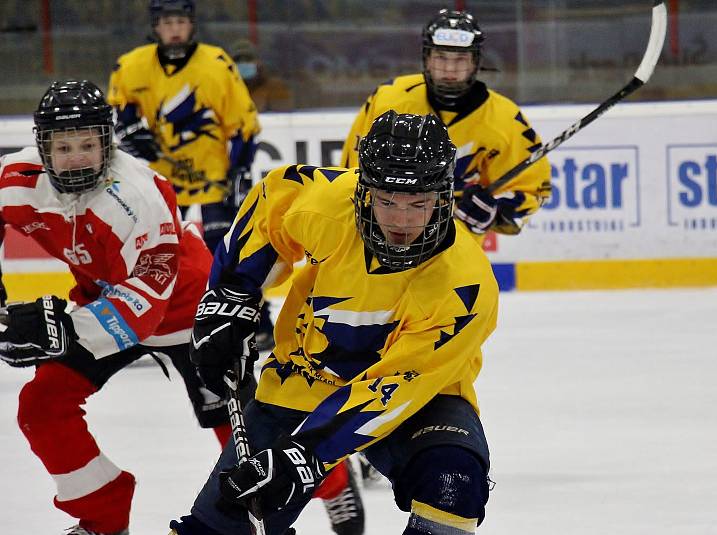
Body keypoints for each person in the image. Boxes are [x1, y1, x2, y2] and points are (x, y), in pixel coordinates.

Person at [167, 110, 499, 535]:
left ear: (442, 197)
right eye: (387, 202)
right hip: (303, 378)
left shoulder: (465, 285)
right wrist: (230, 297)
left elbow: (393, 388)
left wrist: (305, 455)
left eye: (418, 204)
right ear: (364, 192)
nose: (401, 222)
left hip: (415, 398)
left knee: (453, 480)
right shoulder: (330, 205)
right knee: (220, 525)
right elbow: (272, 198)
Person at [0, 80, 231, 535]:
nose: (77, 156)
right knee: (43, 406)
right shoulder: (17, 181)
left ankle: (333, 485)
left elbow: (147, 296)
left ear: (108, 142)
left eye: (88, 144)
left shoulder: (137, 196)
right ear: (42, 147)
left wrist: (65, 328)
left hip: (189, 310)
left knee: (243, 433)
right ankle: (103, 517)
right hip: (100, 302)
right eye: (63, 146)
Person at [107, 0, 277, 351]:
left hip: (212, 179)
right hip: (159, 185)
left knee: (229, 252)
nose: (174, 29)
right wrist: (132, 130)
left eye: (180, 21)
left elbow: (244, 126)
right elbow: (119, 112)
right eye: (167, 22)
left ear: (191, 25)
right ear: (156, 26)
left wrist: (238, 173)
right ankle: (147, 323)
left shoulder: (215, 64)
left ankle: (254, 322)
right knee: (156, 255)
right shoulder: (132, 66)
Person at [341, 9, 552, 244]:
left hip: (457, 247)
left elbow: (534, 189)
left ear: (475, 62)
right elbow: (352, 172)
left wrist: (496, 211)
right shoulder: (389, 99)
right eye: (441, 57)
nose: (450, 70)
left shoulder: (505, 119)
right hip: (382, 235)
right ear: (427, 59)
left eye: (460, 59)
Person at [230, 39, 294, 112]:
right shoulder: (226, 89)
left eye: (248, 59)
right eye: (238, 60)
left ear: (259, 62)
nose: (243, 63)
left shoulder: (275, 87)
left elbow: (282, 117)